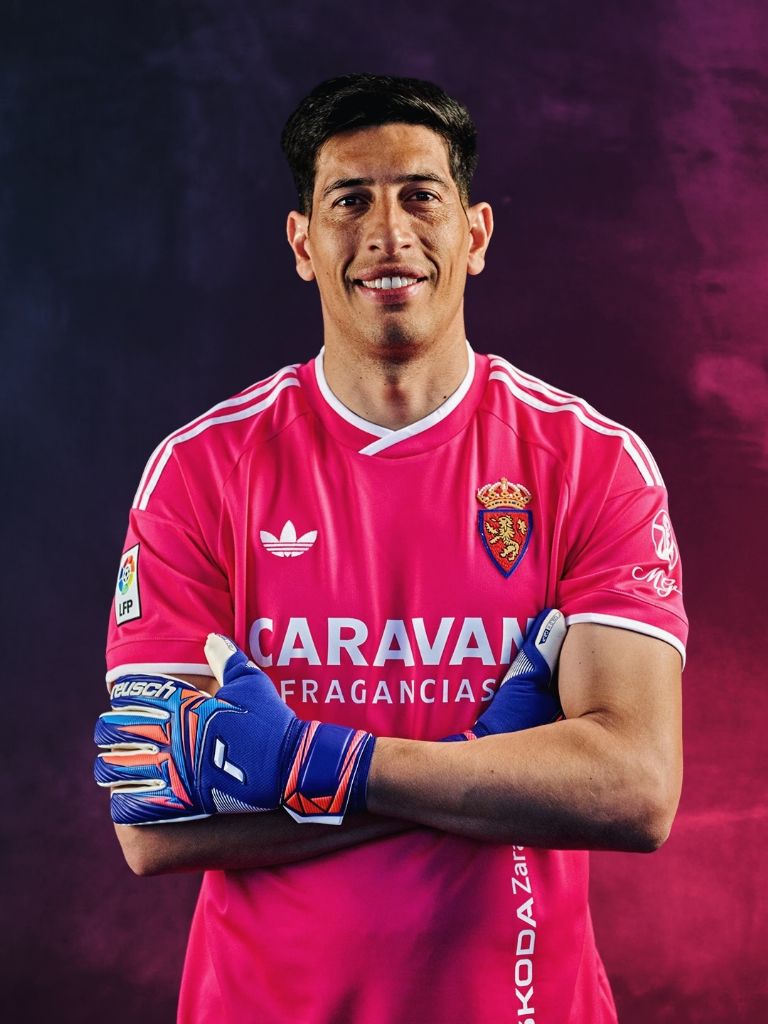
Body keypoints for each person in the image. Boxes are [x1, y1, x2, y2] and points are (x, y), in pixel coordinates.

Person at [95, 74, 687, 1023]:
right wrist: (486, 768)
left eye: (420, 196)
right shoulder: (199, 473)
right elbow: (154, 823)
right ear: (302, 244)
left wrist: (301, 761)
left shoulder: (591, 463)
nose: (388, 233)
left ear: (475, 234)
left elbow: (634, 789)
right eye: (349, 201)